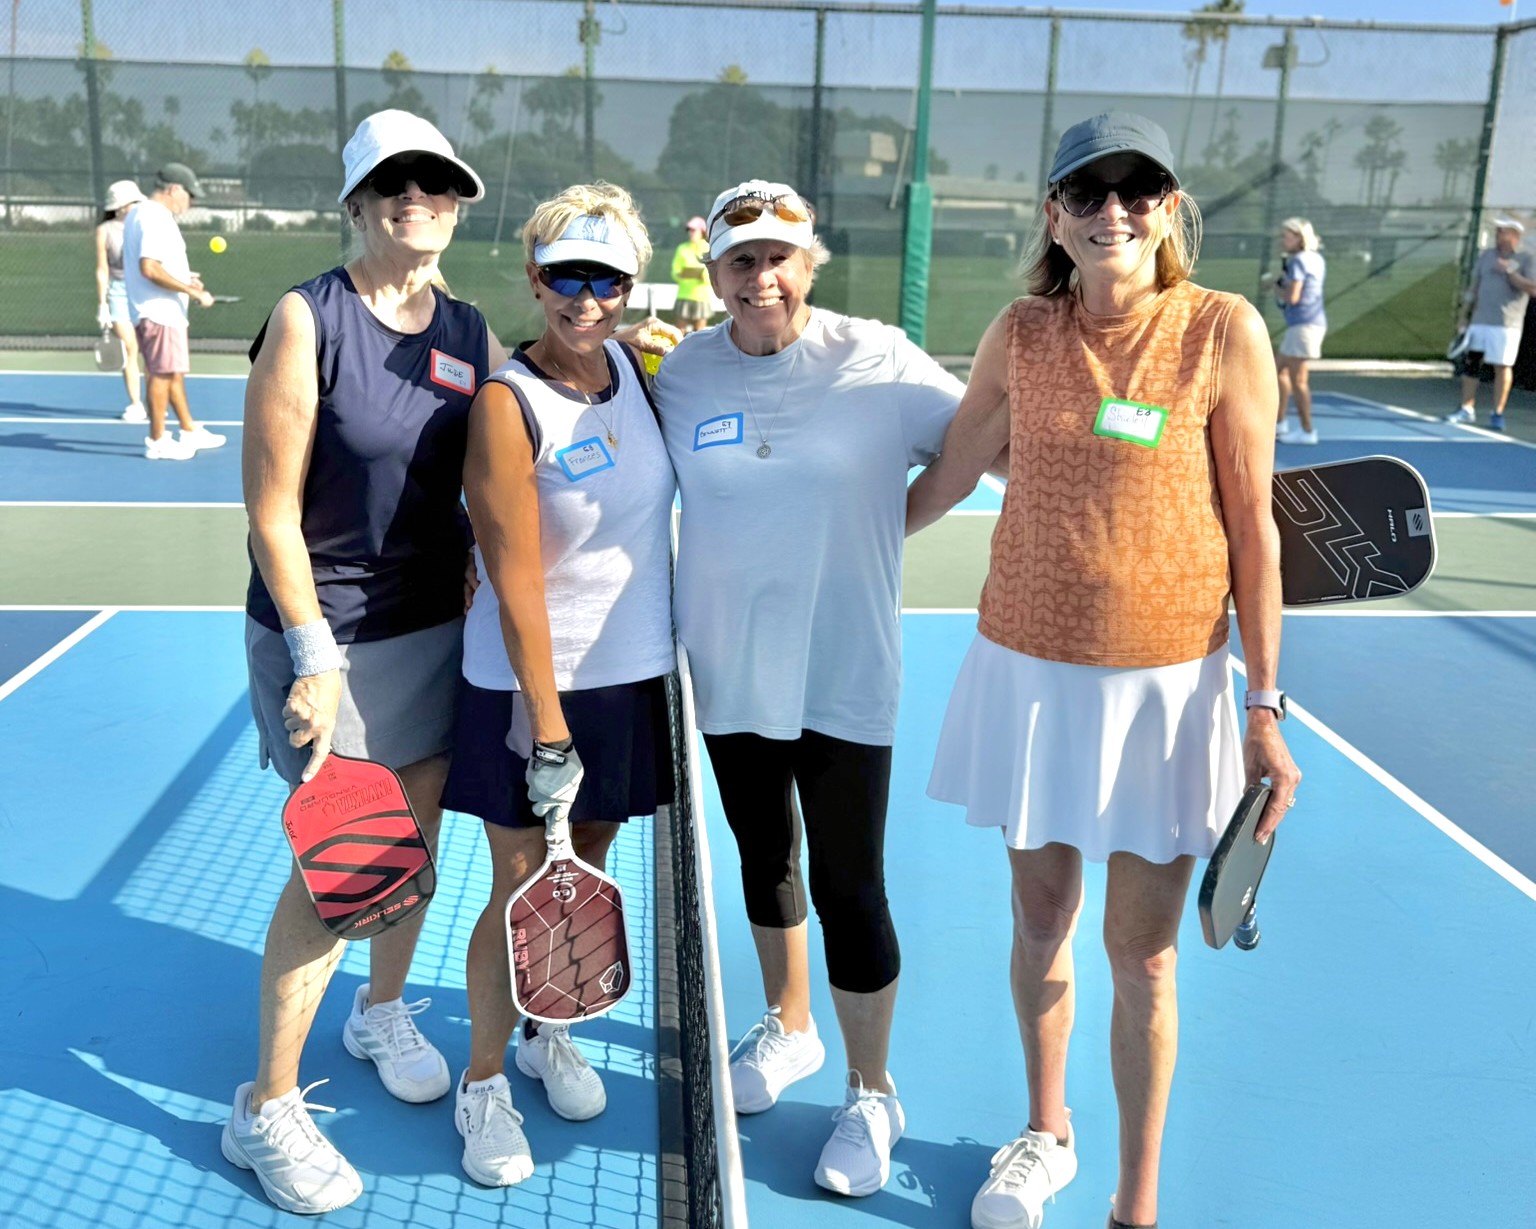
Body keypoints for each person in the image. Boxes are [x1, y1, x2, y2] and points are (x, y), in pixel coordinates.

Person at [906, 112, 1301, 1229]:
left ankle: (1138, 1201)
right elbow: (951, 472)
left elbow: (1255, 529)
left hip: (1168, 689)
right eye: (1088, 192)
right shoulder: (1021, 332)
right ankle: (1047, 1133)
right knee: (1039, 920)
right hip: (1027, 671)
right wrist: (839, 546)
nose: (1113, 211)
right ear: (1054, 215)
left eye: (1137, 191)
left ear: (1168, 209)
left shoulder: (1223, 329)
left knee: (1145, 955)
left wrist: (1263, 703)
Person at [653, 178, 965, 1198]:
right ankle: (790, 1024)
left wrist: (886, 523)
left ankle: (872, 1091)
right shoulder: (681, 373)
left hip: (844, 669)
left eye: (780, 258)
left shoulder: (879, 358)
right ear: (714, 273)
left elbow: (977, 451)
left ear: (810, 263)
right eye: (741, 260)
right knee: (764, 853)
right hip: (727, 667)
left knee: (850, 883)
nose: (763, 279)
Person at [224, 109, 505, 1215]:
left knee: (415, 835)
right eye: (393, 183)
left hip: (432, 630)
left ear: (457, 207)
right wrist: (312, 654)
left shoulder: (470, 330)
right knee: (342, 866)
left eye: (435, 183)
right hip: (325, 633)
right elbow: (270, 511)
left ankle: (379, 1010)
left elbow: (504, 466)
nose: (415, 198)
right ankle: (265, 1106)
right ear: (357, 202)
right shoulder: (309, 318)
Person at [441, 183, 678, 1187]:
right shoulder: (508, 403)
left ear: (631, 284)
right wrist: (546, 728)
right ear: (535, 279)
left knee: (587, 865)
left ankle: (549, 1032)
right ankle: (484, 1081)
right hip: (529, 689)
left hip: (629, 681)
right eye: (568, 276)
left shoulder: (639, 369)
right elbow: (514, 579)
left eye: (607, 278)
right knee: (521, 886)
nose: (588, 297)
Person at [121, 162, 226, 460]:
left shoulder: (141, 213)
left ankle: (189, 430)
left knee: (172, 372)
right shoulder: (154, 216)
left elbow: (155, 263)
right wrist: (194, 292)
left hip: (160, 311)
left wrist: (185, 277)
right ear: (174, 189)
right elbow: (149, 267)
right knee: (161, 375)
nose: (191, 202)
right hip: (159, 312)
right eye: (189, 195)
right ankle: (157, 440)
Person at [1445, 215, 1535, 432]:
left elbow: (1533, 289)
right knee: (1472, 364)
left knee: (1502, 367)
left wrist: (1511, 272)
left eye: (1502, 231)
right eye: (1497, 230)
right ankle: (1466, 408)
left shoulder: (1526, 258)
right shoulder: (1486, 255)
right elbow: (1474, 287)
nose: (1497, 234)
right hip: (1479, 321)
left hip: (1506, 324)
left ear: (1514, 235)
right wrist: (1464, 316)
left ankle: (1497, 413)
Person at [94, 178, 147, 422]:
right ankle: (136, 404)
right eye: (133, 202)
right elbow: (102, 269)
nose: (137, 205)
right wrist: (103, 305)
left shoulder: (145, 226)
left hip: (145, 291)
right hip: (118, 292)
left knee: (149, 351)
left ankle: (155, 401)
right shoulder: (104, 231)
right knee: (129, 347)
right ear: (121, 206)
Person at [1273, 217, 1325, 445]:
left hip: (1304, 326)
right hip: (1305, 325)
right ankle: (1280, 423)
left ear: (1300, 238)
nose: (1284, 240)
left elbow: (1293, 297)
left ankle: (1307, 431)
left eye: (1288, 236)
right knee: (1277, 372)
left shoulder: (1299, 261)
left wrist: (1274, 287)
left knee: (1299, 381)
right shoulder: (1316, 259)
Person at [670, 215, 713, 332]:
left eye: (693, 230)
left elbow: (714, 272)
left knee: (699, 331)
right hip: (684, 295)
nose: (690, 233)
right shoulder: (682, 249)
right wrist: (680, 275)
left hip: (702, 297)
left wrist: (704, 276)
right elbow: (675, 271)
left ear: (702, 232)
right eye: (689, 230)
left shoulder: (709, 248)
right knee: (679, 330)